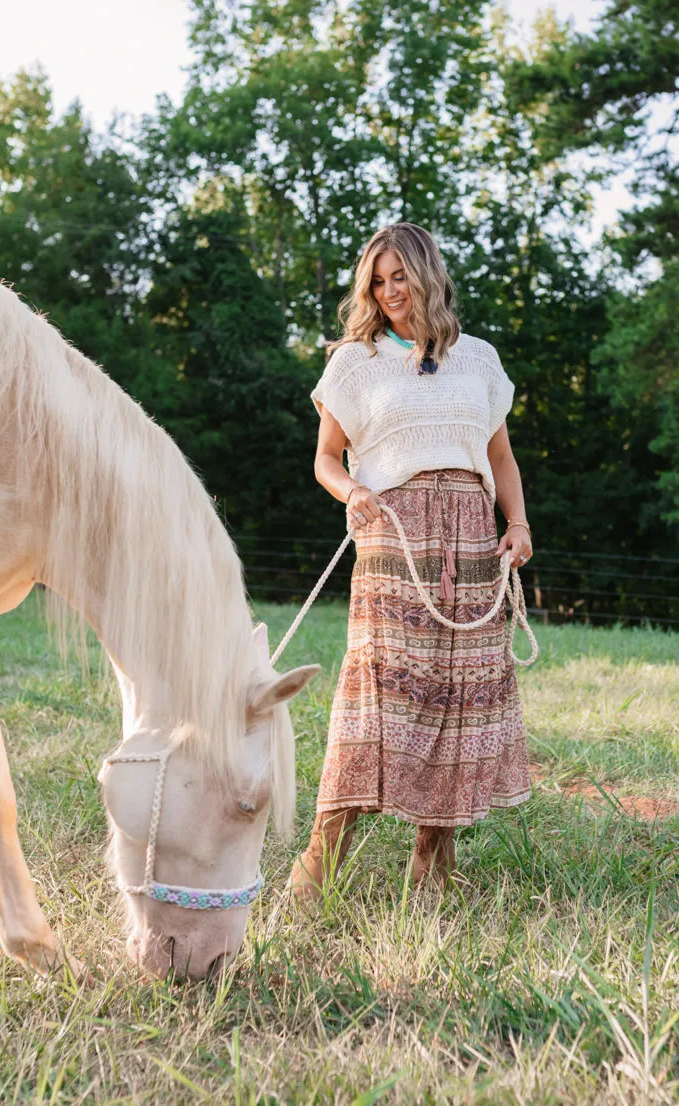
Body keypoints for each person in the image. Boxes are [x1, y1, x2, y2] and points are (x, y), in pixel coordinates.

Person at [288, 222, 533, 900]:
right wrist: (352, 489)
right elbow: (324, 459)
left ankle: (432, 860)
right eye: (378, 280)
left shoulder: (477, 359)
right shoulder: (355, 362)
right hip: (394, 534)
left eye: (400, 276)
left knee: (459, 694)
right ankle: (321, 857)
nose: (390, 291)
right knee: (380, 693)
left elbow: (500, 457)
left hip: (471, 536)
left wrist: (515, 523)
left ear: (427, 276)